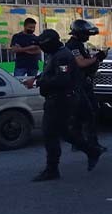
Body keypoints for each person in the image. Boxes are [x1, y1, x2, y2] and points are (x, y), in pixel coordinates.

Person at [28, 29, 104, 182]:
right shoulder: (55, 55)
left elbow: (62, 80)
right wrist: (36, 78)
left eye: (42, 44)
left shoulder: (63, 56)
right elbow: (50, 74)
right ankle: (91, 151)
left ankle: (52, 169)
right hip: (56, 99)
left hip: (61, 100)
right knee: (62, 133)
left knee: (50, 133)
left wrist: (37, 82)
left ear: (48, 44)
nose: (40, 48)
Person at [66, 19, 107, 151]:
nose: (88, 37)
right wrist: (97, 58)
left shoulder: (80, 44)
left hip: (84, 82)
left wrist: (97, 58)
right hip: (78, 85)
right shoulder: (73, 45)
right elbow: (81, 63)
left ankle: (78, 143)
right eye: (86, 34)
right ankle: (91, 143)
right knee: (90, 113)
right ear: (78, 33)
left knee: (80, 114)